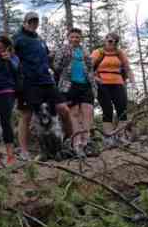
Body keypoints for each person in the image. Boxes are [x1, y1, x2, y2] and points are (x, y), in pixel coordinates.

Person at [13, 12, 73, 160]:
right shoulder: (17, 38)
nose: (33, 24)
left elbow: (47, 58)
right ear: (25, 23)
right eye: (30, 21)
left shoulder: (40, 40)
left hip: (47, 80)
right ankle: (24, 151)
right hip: (29, 83)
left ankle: (69, 143)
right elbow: (11, 57)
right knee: (27, 115)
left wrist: (56, 69)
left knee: (64, 109)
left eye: (36, 21)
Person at [52, 28, 98, 157]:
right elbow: (56, 66)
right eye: (72, 37)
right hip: (69, 85)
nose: (75, 39)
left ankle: (86, 142)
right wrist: (66, 65)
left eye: (77, 37)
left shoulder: (85, 50)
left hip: (86, 84)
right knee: (74, 113)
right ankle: (76, 143)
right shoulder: (63, 49)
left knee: (88, 112)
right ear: (68, 38)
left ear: (80, 38)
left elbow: (90, 66)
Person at [91, 32, 135, 147]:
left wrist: (133, 82)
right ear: (105, 40)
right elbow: (88, 68)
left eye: (115, 42)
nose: (112, 43)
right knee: (107, 110)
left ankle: (121, 136)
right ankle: (109, 138)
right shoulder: (98, 52)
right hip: (102, 83)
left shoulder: (120, 53)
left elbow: (128, 69)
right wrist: (95, 78)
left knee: (122, 110)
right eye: (110, 41)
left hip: (118, 83)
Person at [0, 35, 20, 168]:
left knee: (6, 122)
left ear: (7, 47)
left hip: (7, 91)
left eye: (0, 47)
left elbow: (17, 71)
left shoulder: (14, 57)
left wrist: (9, 61)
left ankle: (11, 157)